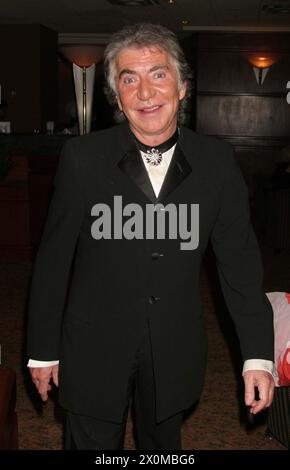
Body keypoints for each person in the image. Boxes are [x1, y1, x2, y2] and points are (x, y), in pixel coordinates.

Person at [27, 23, 275, 450]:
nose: (145, 92)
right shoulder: (82, 159)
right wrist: (43, 348)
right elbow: (53, 260)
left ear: (182, 87)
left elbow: (240, 267)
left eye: (158, 74)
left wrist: (257, 355)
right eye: (129, 79)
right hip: (93, 344)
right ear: (117, 98)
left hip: (175, 345)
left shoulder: (216, 162)